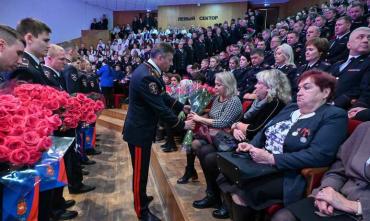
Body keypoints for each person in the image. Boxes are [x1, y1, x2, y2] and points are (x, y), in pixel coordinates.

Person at [217, 70, 348, 221]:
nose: (299, 93)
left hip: (288, 173)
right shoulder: (291, 108)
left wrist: (272, 158)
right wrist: (250, 146)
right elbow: (263, 132)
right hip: (260, 161)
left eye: (307, 88)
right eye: (298, 88)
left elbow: (319, 155)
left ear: (325, 92)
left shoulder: (334, 115)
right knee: (225, 169)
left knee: (242, 191)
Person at [122, 43, 194, 221]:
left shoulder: (149, 71)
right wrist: (182, 125)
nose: (171, 64)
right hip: (139, 132)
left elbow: (162, 95)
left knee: (143, 170)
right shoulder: (147, 76)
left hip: (141, 129)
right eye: (169, 60)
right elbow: (160, 108)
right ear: (160, 58)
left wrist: (180, 107)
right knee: (140, 173)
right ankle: (142, 211)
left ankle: (142, 198)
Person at [272, 121, 370, 221]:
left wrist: (355, 206)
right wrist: (327, 190)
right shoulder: (365, 128)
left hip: (363, 211)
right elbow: (338, 170)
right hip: (340, 196)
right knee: (283, 217)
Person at [177, 72, 242, 188]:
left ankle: (210, 186)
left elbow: (222, 122)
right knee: (193, 141)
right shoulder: (218, 98)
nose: (215, 87)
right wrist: (194, 113)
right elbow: (212, 115)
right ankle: (193, 172)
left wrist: (199, 118)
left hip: (225, 137)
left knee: (198, 146)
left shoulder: (234, 100)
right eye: (215, 84)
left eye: (218, 85)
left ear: (228, 85)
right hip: (213, 134)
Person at [232, 69, 292, 142]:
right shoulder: (258, 99)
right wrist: (235, 130)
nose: (255, 85)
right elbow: (241, 119)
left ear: (270, 86)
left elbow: (255, 131)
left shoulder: (275, 103)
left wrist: (237, 125)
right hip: (244, 139)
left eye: (259, 83)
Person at [329, 27, 370, 110]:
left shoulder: (367, 63)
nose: (366, 40)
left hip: (345, 109)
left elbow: (365, 92)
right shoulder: (337, 64)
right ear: (348, 44)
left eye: (369, 38)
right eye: (361, 37)